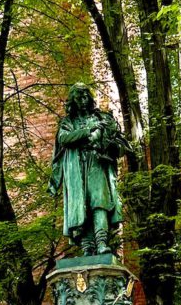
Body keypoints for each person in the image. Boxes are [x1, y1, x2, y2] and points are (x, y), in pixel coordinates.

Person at [49, 83, 131, 255]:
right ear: (73, 101)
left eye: (86, 96)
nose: (83, 100)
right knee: (81, 206)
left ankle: (101, 242)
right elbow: (64, 139)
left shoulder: (101, 118)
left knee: (99, 202)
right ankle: (87, 247)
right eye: (79, 97)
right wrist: (87, 132)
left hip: (96, 163)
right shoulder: (68, 122)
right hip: (76, 168)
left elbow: (117, 140)